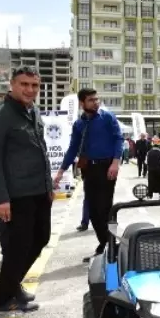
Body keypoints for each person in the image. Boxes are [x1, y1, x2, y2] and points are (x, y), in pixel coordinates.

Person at [0, 67, 52, 313]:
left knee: (41, 238)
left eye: (34, 85)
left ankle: (12, 284)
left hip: (39, 191)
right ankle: (3, 298)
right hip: (16, 195)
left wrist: (48, 186)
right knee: (18, 247)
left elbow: (40, 150)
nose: (30, 90)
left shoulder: (33, 112)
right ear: (11, 84)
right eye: (24, 84)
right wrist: (0, 199)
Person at [54, 88, 123, 262]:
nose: (96, 102)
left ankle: (109, 247)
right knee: (92, 211)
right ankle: (106, 244)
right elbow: (72, 148)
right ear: (82, 103)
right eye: (91, 100)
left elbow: (118, 139)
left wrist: (115, 162)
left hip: (107, 168)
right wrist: (61, 171)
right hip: (88, 170)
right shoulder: (79, 124)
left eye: (97, 99)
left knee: (104, 209)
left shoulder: (107, 117)